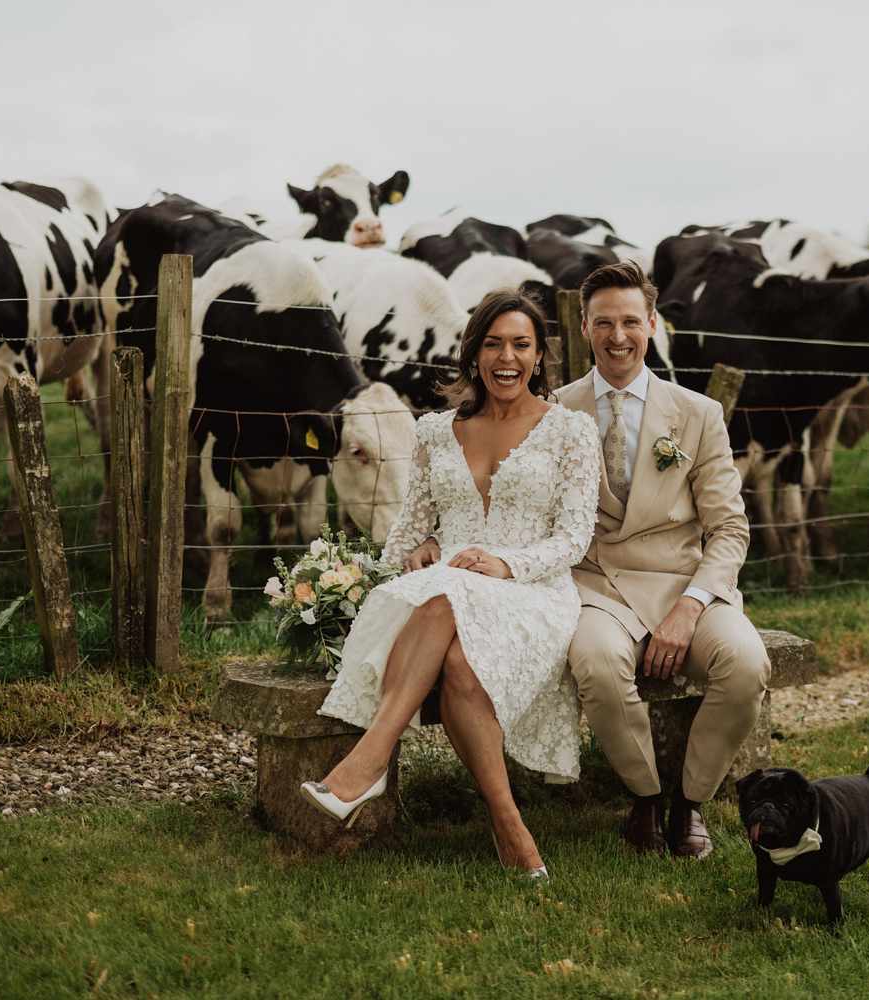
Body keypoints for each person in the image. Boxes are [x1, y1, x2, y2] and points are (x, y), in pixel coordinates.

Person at [306, 290, 600, 879]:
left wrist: (506, 564)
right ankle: (508, 823)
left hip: (532, 591)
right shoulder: (437, 432)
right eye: (493, 344)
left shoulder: (571, 432)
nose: (506, 357)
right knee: (459, 653)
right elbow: (401, 539)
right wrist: (418, 548)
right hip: (449, 591)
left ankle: (369, 761)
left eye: (521, 345)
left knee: (446, 596)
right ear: (473, 354)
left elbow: (573, 539)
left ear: (540, 357)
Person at [557, 261, 770, 860]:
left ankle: (690, 801)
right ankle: (645, 799)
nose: (618, 336)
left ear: (652, 324)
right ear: (584, 326)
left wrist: (691, 605)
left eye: (630, 321)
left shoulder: (697, 414)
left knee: (746, 664)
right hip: (597, 585)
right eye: (604, 323)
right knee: (597, 665)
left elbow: (729, 527)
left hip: (685, 583)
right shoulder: (553, 409)